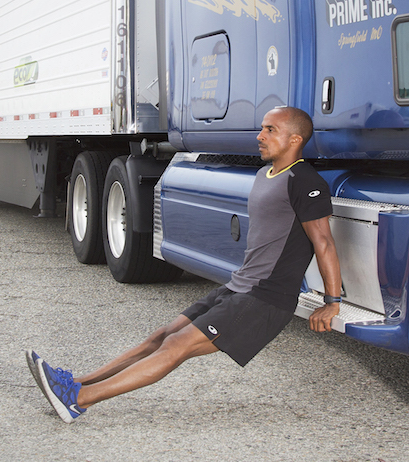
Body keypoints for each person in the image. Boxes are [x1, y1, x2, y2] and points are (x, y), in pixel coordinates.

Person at [26, 105, 343, 422]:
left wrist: (332, 302)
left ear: (295, 140)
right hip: (240, 287)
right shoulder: (265, 174)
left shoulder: (305, 181)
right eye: (262, 128)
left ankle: (79, 400)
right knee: (161, 336)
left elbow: (323, 243)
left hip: (265, 299)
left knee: (177, 345)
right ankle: (77, 383)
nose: (260, 136)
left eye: (270, 130)